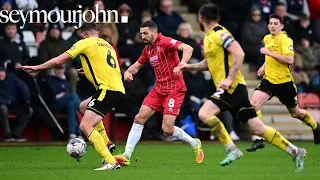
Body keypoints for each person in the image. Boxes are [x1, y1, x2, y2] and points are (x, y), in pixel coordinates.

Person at [179, 3, 307, 172]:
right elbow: (208, 63)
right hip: (236, 88)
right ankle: (295, 151)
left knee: (204, 113)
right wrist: (188, 67)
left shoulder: (220, 33)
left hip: (231, 86)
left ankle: (232, 149)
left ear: (200, 18)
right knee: (258, 128)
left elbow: (239, 52)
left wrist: (229, 78)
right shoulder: (209, 37)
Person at [21, 23, 125, 170]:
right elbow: (109, 67)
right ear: (97, 32)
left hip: (107, 90)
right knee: (83, 106)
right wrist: (89, 69)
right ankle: (107, 143)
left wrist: (38, 67)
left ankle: (110, 160)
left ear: (83, 34)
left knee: (84, 125)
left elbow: (59, 61)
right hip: (117, 88)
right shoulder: (107, 44)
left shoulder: (84, 42)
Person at [113, 20, 204, 166]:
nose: (142, 36)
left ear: (154, 32)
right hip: (158, 89)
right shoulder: (148, 49)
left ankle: (194, 142)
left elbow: (188, 48)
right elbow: (136, 66)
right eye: (141, 33)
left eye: (146, 33)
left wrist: (182, 63)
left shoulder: (166, 42)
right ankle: (126, 155)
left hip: (174, 89)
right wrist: (128, 73)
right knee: (139, 117)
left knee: (167, 129)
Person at [247, 14, 320, 152]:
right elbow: (269, 57)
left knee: (296, 113)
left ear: (281, 26)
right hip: (269, 80)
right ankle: (259, 138)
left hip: (284, 83)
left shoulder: (286, 40)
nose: (273, 26)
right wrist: (263, 67)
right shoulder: (267, 38)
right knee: (254, 104)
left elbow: (289, 60)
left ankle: (315, 126)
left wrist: (270, 53)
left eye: (276, 24)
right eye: (271, 23)